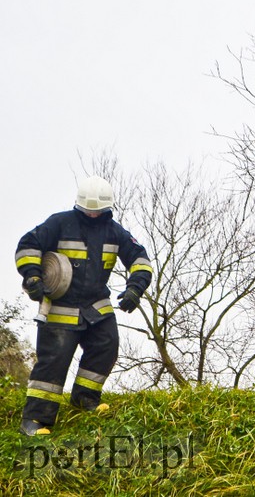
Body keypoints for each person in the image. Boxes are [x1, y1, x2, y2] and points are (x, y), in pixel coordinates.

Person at [14, 175, 153, 435]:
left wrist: (136, 288)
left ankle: (85, 398)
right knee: (53, 362)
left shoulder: (115, 232)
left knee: (106, 346)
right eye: (87, 210)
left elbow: (140, 259)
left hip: (96, 306)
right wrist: (33, 276)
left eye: (96, 211)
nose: (91, 215)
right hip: (59, 307)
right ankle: (34, 420)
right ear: (79, 205)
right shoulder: (59, 223)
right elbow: (28, 245)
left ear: (107, 209)